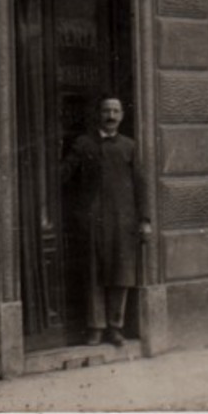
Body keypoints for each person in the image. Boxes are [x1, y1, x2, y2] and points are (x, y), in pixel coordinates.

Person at [62, 96, 152, 347]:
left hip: (123, 222)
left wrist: (144, 220)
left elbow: (141, 186)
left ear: (122, 115)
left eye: (115, 111)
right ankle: (95, 327)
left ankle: (115, 326)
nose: (110, 116)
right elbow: (65, 176)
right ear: (98, 114)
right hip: (92, 222)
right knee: (94, 275)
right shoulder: (83, 144)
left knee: (120, 275)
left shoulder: (129, 146)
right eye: (106, 111)